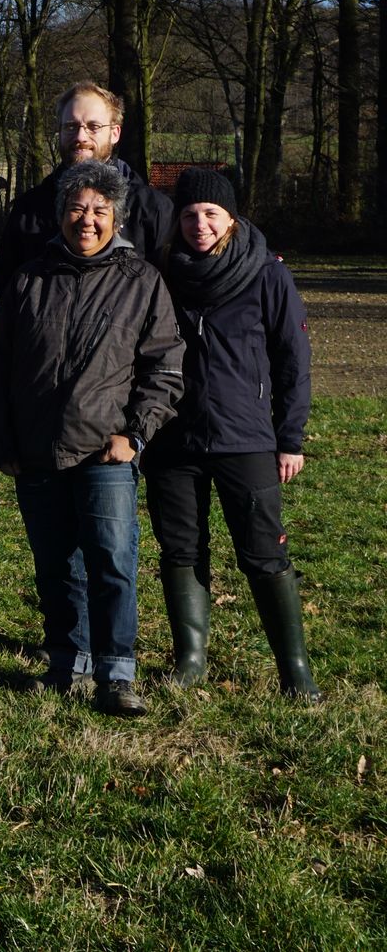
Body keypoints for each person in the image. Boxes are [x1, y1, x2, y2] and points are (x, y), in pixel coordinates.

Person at [0, 160, 185, 717]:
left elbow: (164, 370)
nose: (86, 220)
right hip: (36, 452)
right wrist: (1, 444)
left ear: (116, 216)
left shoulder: (142, 282)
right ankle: (68, 661)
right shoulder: (29, 279)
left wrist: (134, 436)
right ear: (60, 213)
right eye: (76, 208)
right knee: (55, 565)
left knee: (112, 563)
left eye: (99, 210)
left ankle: (117, 673)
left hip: (104, 452)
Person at [146, 169, 319, 699]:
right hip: (172, 439)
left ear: (232, 219)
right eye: (190, 214)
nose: (200, 224)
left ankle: (295, 673)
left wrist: (290, 438)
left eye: (211, 214)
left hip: (246, 438)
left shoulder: (267, 276)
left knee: (264, 553)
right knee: (180, 549)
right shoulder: (159, 275)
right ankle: (190, 660)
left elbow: (294, 360)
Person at [0, 80, 174, 296]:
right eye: (71, 126)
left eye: (93, 127)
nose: (80, 137)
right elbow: (7, 286)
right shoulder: (30, 208)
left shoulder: (152, 209)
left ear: (115, 133)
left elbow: (166, 293)